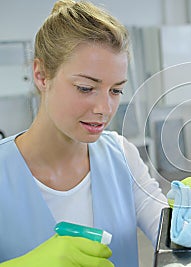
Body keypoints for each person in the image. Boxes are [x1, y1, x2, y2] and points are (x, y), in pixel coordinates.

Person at [0, 1, 167, 266]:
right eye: (86, 88)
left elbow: (168, 229)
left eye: (116, 90)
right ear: (42, 75)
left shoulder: (122, 156)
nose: (105, 109)